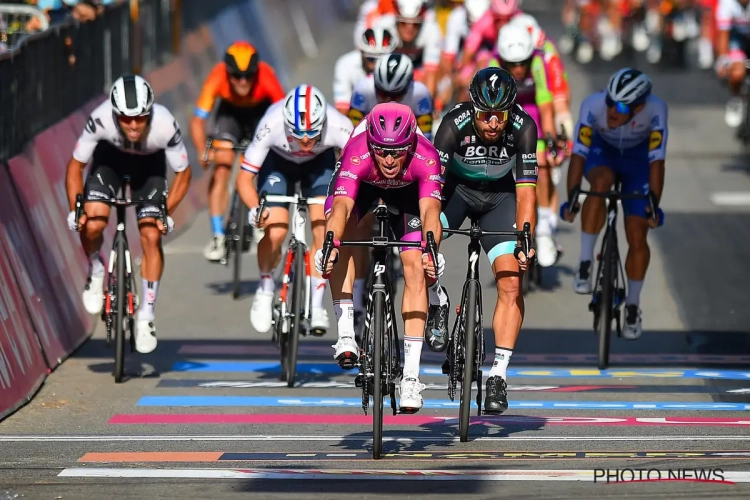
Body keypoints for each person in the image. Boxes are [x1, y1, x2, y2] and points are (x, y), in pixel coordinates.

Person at [316, 102, 444, 411]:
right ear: (371, 143)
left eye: (397, 152)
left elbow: (430, 211)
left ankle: (411, 377)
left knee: (414, 265)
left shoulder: (427, 156)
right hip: (363, 185)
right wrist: (330, 243)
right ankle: (346, 333)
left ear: (410, 144)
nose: (388, 159)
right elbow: (342, 207)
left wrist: (431, 250)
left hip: (410, 192)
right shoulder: (357, 150)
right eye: (382, 151)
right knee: (339, 237)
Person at [432, 67, 536, 414]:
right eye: (485, 115)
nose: (493, 123)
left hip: (500, 198)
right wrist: (429, 241)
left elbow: (526, 193)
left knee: (511, 281)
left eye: (500, 116)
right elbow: (431, 191)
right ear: (473, 108)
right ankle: (436, 300)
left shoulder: (524, 127)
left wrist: (524, 239)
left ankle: (498, 376)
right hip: (456, 192)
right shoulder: (453, 124)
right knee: (421, 245)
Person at [65, 75, 192, 353]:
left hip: (149, 170)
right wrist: (77, 208)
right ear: (115, 114)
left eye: (140, 118)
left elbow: (183, 173)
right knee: (92, 221)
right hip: (109, 163)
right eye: (126, 118)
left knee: (151, 234)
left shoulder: (164, 124)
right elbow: (75, 166)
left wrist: (166, 211)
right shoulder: (100, 119)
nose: (133, 125)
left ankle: (146, 315)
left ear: (150, 112)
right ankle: (96, 269)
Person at [237, 85, 353, 335]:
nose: (306, 140)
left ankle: (317, 304)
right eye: (299, 133)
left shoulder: (339, 125)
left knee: (324, 231)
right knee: (276, 230)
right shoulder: (271, 123)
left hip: (320, 165)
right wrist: (255, 208)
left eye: (313, 133)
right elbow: (244, 178)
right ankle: (265, 286)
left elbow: (357, 168)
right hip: (278, 165)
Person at [561, 68, 667, 340]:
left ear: (639, 107)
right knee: (601, 183)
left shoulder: (656, 109)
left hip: (638, 163)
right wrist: (572, 198)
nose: (612, 110)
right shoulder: (593, 105)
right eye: (610, 101)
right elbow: (578, 155)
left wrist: (653, 204)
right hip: (603, 154)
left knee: (637, 232)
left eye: (621, 106)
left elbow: (657, 162)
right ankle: (585, 262)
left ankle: (632, 304)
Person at [190, 40, 285, 262]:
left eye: (248, 76)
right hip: (230, 115)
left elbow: (284, 115)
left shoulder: (266, 76)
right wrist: (203, 151)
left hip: (260, 113)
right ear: (227, 72)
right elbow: (197, 121)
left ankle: (259, 215)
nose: (243, 82)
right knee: (222, 165)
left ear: (256, 72)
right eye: (237, 76)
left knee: (259, 164)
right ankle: (217, 236)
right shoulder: (217, 76)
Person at [492, 23, 564, 267]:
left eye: (523, 62)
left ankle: (543, 231)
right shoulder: (492, 65)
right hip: (504, 120)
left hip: (533, 121)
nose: (519, 69)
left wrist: (550, 138)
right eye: (512, 64)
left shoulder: (537, 63)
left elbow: (545, 104)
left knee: (541, 166)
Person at [349, 53, 434, 138]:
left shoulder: (420, 94)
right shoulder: (363, 89)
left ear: (407, 88)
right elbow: (353, 132)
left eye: (395, 95)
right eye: (383, 93)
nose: (388, 100)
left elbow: (425, 136)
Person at [371, 0, 444, 97]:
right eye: (403, 23)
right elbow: (374, 67)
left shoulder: (431, 30)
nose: (409, 28)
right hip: (391, 69)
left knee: (443, 80)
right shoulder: (383, 26)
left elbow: (431, 74)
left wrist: (428, 102)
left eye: (415, 24)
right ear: (396, 20)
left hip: (419, 71)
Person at [457, 0, 521, 101]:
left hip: (511, 55)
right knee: (468, 77)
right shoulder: (484, 22)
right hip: (487, 54)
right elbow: (468, 53)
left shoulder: (521, 19)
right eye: (499, 19)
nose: (503, 24)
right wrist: (464, 74)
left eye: (508, 19)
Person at [333, 26, 400, 114]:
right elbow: (342, 108)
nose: (377, 65)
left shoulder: (400, 65)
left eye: (382, 60)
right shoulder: (345, 64)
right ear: (362, 53)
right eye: (371, 59)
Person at [715, 0, 750, 128]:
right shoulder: (727, 3)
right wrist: (723, 61)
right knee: (737, 72)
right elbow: (724, 34)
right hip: (737, 43)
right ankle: (735, 98)